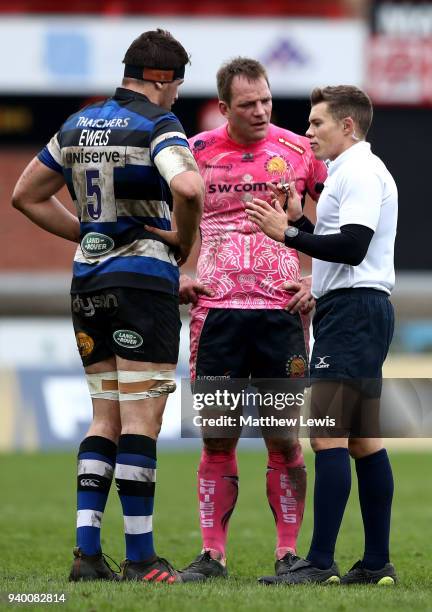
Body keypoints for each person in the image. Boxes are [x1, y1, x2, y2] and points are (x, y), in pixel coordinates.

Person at [12, 29, 205, 584]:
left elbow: (24, 194)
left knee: (105, 417)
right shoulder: (157, 124)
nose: (175, 99)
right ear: (162, 79)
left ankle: (87, 555)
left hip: (88, 284)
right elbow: (189, 188)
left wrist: (88, 233)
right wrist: (181, 244)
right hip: (143, 283)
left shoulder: (77, 124)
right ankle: (142, 558)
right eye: (176, 88)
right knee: (143, 418)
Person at [178, 57, 327, 580]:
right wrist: (173, 272)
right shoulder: (194, 153)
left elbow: (335, 224)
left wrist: (316, 281)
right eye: (248, 104)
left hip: (279, 313)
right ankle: (212, 555)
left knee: (283, 437)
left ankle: (288, 553)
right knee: (217, 436)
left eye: (266, 100)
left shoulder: (300, 151)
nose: (262, 110)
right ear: (224, 108)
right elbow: (154, 219)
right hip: (215, 315)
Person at [246, 85, 398, 585]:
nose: (308, 132)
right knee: (362, 440)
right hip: (355, 308)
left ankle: (318, 562)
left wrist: (286, 233)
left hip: (354, 314)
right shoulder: (351, 172)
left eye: (317, 123)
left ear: (347, 125)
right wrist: (302, 222)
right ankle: (376, 563)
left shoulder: (357, 171)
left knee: (328, 435)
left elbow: (354, 247)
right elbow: (347, 248)